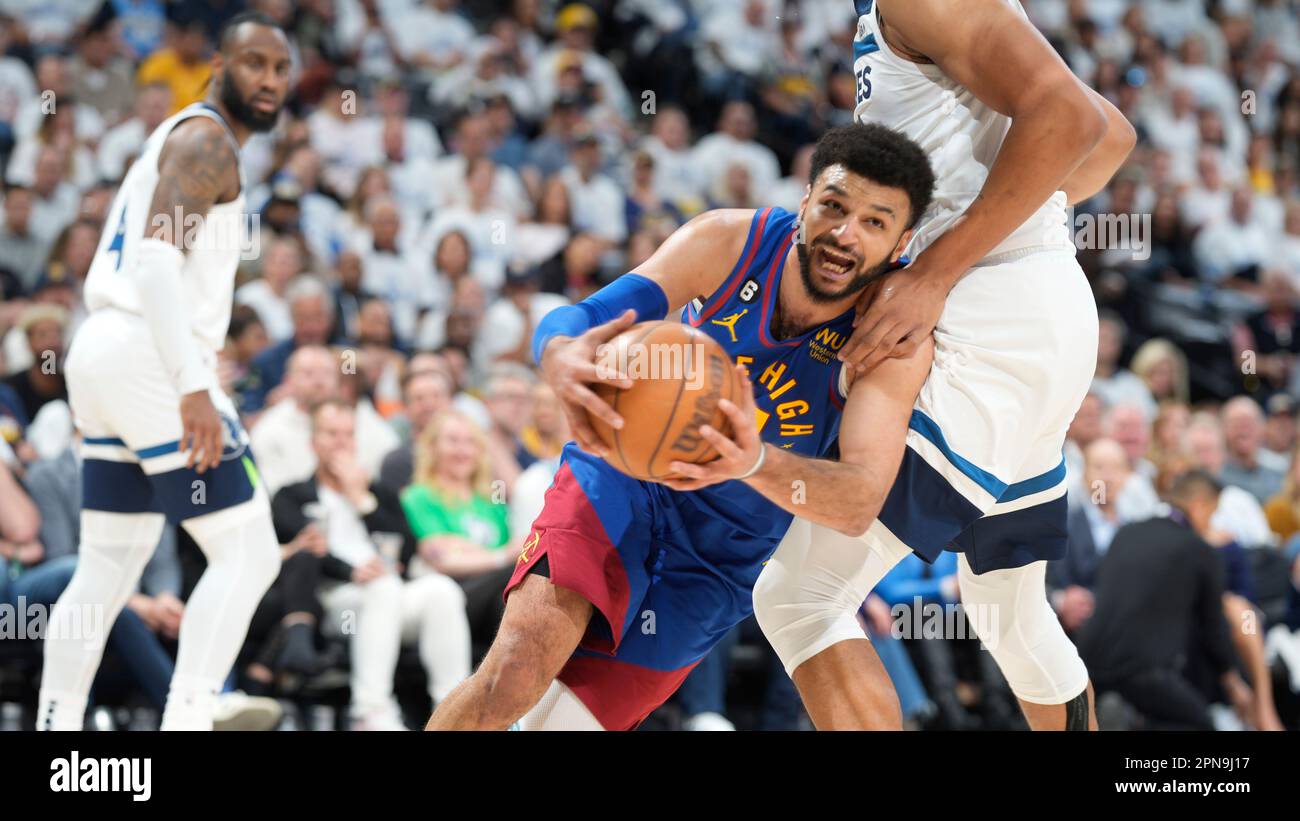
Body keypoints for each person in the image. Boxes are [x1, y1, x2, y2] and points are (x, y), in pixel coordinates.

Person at [706, 0, 1136, 730]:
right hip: (1040, 305)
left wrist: (937, 267)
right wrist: (1010, 217)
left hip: (992, 310)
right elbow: (1111, 137)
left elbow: (1076, 122)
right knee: (1007, 607)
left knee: (800, 598)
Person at [426, 122, 935, 730]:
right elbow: (588, 314)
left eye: (875, 222)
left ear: (901, 242)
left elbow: (857, 499)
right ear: (804, 202)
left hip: (721, 556)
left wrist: (753, 461)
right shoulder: (729, 241)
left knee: (559, 725)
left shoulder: (890, 338)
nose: (845, 234)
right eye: (833, 206)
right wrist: (560, 351)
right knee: (514, 672)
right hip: (621, 482)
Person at [38, 13, 291, 731]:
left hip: (104, 350)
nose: (269, 80)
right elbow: (155, 260)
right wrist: (190, 383)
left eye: (280, 69)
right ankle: (189, 715)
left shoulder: (183, 135)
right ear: (218, 63)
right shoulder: (207, 137)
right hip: (148, 351)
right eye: (254, 64)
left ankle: (57, 730)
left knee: (109, 565)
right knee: (248, 551)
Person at [271, 400, 471, 730]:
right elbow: (303, 555)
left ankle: (454, 711)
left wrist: (361, 500)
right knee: (383, 586)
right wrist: (350, 570)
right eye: (331, 434)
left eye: (348, 435)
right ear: (313, 442)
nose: (340, 442)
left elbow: (406, 551)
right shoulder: (292, 495)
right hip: (337, 600)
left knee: (441, 590)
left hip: (389, 596)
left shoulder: (378, 493)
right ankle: (371, 711)